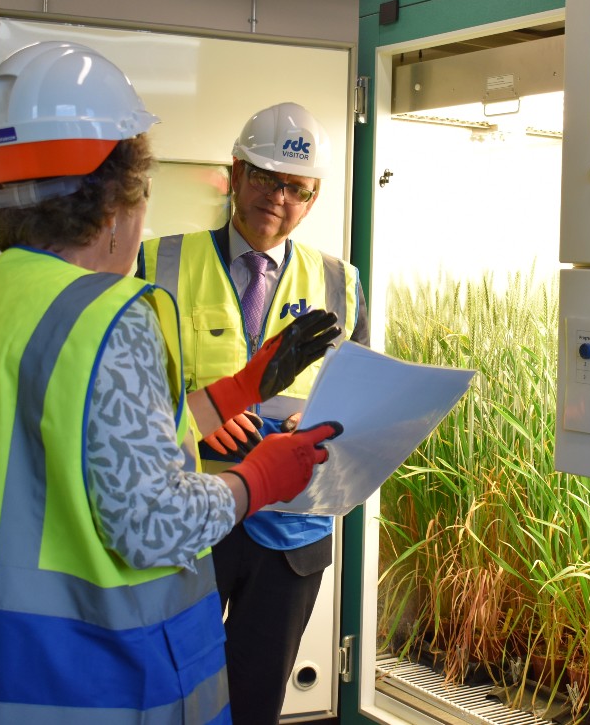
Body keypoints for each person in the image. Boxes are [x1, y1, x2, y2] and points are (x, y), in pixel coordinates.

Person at [0, 41, 343, 725]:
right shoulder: (107, 315)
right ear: (121, 193)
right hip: (84, 676)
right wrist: (259, 479)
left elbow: (77, 442)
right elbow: (152, 521)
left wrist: (234, 391)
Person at [138, 102, 369, 724]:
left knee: (257, 701)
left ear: (313, 198)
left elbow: (360, 397)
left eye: (298, 188)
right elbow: (119, 390)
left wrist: (320, 426)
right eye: (268, 177)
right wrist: (203, 411)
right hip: (187, 515)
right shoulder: (157, 262)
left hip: (291, 527)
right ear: (236, 172)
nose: (280, 197)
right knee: (169, 687)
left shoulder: (338, 281)